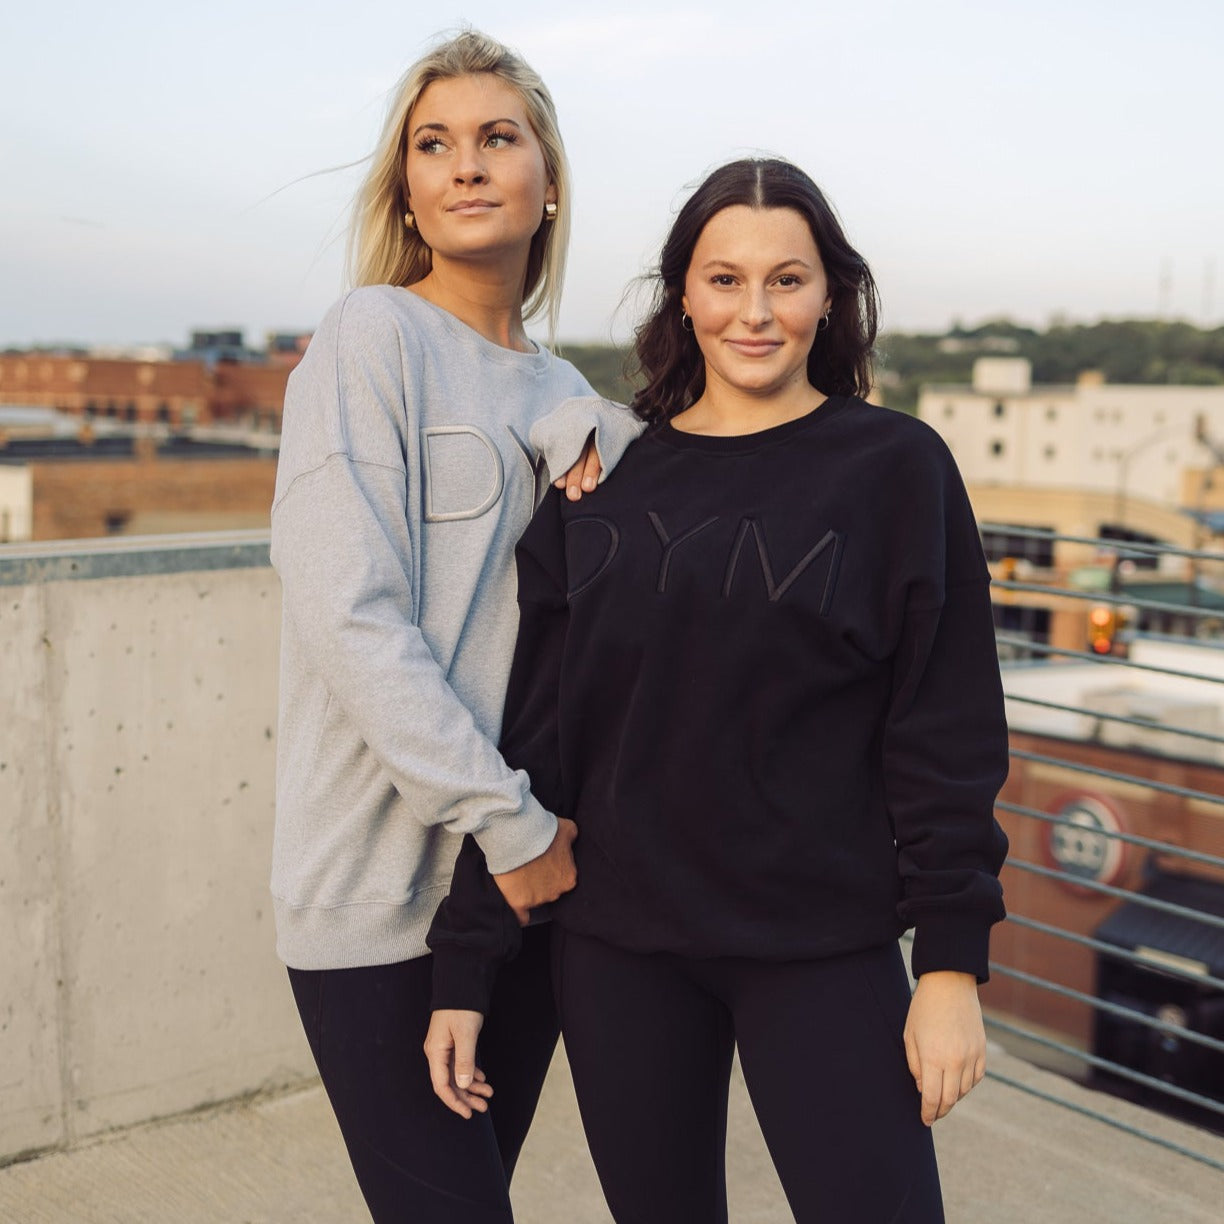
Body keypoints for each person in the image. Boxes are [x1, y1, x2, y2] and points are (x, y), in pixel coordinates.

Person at [426, 158, 1010, 1223]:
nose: (755, 312)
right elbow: (542, 736)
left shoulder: (895, 467)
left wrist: (952, 969)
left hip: (821, 947)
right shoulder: (604, 477)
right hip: (618, 953)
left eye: (786, 280)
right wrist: (467, 964)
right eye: (724, 279)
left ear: (830, 295)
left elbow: (944, 727)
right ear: (682, 293)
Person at [269, 29, 642, 1224]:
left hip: (522, 890)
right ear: (408, 190)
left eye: (497, 138)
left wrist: (598, 422)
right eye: (434, 145)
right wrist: (507, 822)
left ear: (548, 182)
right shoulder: (370, 337)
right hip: (385, 889)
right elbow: (349, 612)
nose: (467, 165)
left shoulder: (560, 389)